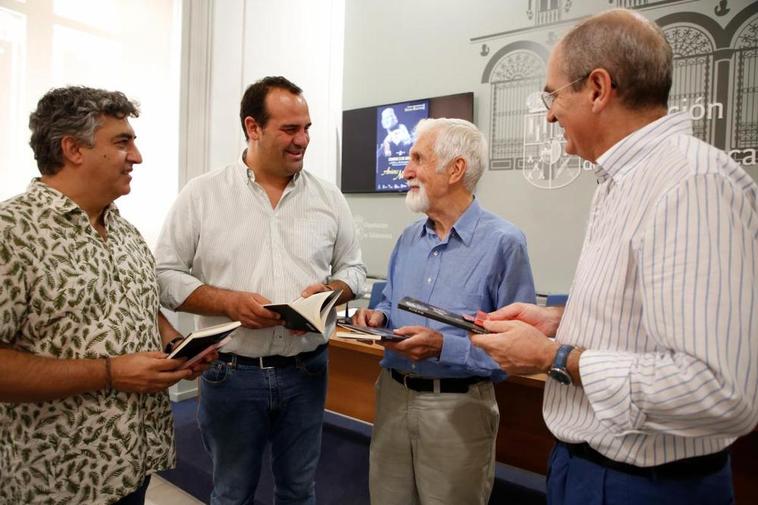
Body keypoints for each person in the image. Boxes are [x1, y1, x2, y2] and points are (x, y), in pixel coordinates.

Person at [471, 9, 758, 505]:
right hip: (585, 470)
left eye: (553, 94)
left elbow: (718, 391)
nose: (549, 113)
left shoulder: (692, 184)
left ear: (599, 89)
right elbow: (648, 319)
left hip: (648, 486)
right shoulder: (622, 182)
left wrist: (554, 357)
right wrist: (558, 321)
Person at [154, 76, 366, 505]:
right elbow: (164, 275)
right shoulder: (203, 195)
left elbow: (355, 269)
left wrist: (331, 291)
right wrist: (228, 301)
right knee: (232, 494)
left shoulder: (328, 197)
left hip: (306, 370)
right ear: (253, 127)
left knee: (298, 491)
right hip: (230, 374)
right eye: (290, 129)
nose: (302, 140)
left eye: (307, 128)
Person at [0, 86, 207, 505]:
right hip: (54, 481)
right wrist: (110, 372)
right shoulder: (11, 233)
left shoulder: (126, 232)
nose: (137, 156)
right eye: (122, 142)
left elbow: (142, 308)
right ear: (73, 148)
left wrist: (173, 343)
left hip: (132, 464)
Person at [353, 117, 536, 505]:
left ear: (456, 169)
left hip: (458, 410)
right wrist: (379, 318)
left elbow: (519, 352)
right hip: (392, 398)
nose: (405, 171)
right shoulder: (407, 239)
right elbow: (388, 302)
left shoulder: (505, 244)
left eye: (418, 158)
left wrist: (443, 348)